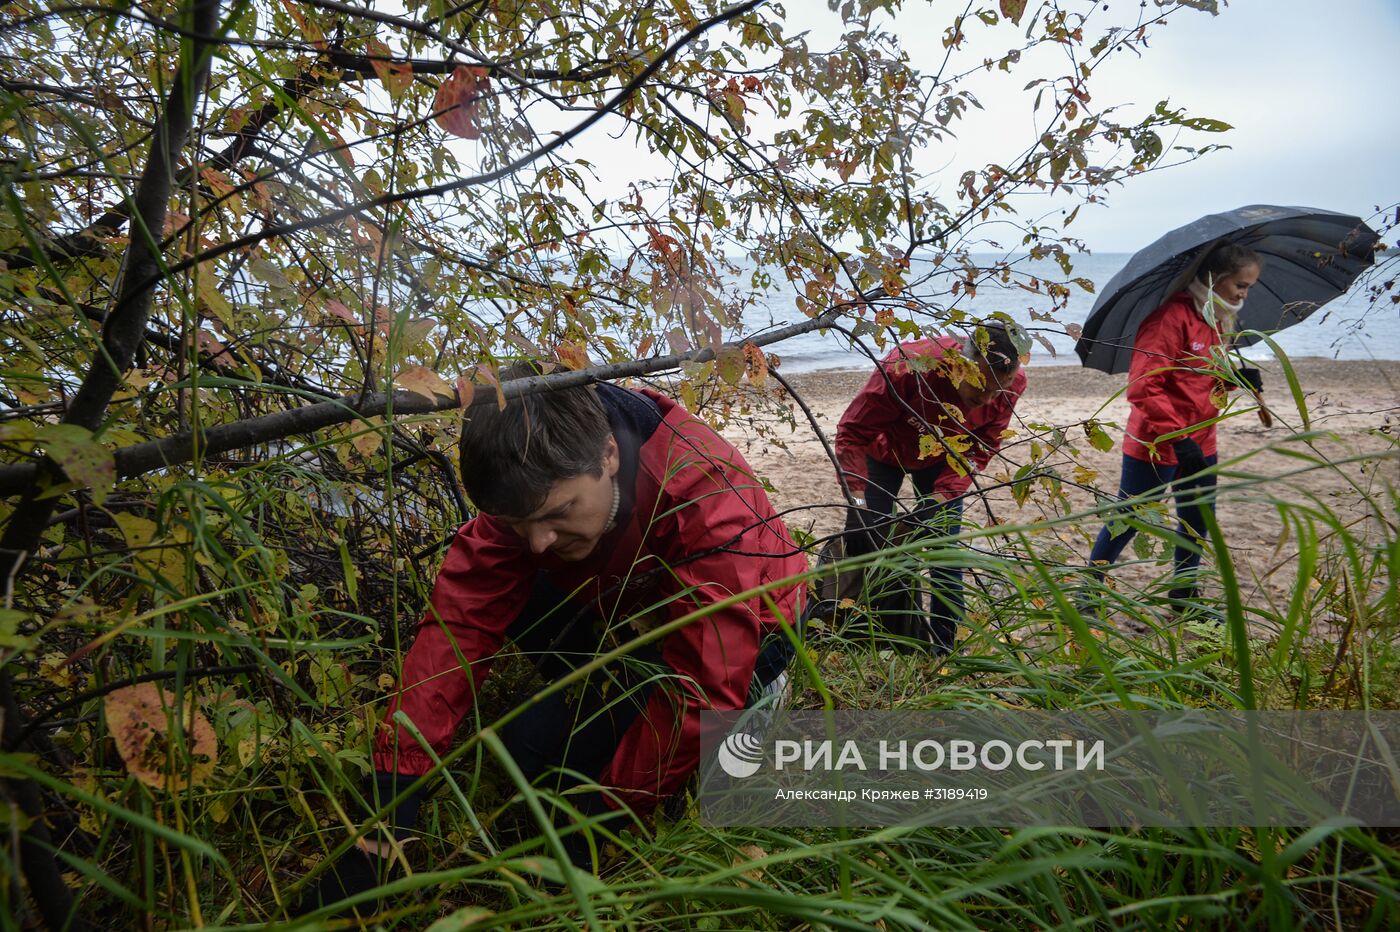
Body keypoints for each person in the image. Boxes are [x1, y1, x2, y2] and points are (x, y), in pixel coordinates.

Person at [302, 371, 806, 914]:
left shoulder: (702, 494)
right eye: (519, 523)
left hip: (755, 631)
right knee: (529, 747)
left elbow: (703, 685)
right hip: (628, 609)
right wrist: (391, 797)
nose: (538, 540)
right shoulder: (534, 487)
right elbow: (459, 626)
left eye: (558, 514)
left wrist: (607, 813)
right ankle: (610, 698)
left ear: (609, 455)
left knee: (584, 776)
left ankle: (758, 702)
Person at [1086, 241, 1265, 604]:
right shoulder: (1169, 318)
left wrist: (1237, 379)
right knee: (1128, 520)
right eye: (1240, 286)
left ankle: (1183, 595)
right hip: (1157, 442)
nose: (1245, 295)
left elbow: (1200, 379)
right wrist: (1178, 439)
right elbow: (1143, 387)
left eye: (1249, 288)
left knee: (1197, 520)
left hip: (1203, 439)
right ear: (1215, 279)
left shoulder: (1217, 319)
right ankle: (1089, 592)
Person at [833, 322, 1027, 653]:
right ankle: (880, 637)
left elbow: (980, 449)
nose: (986, 401)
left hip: (945, 459)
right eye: (978, 390)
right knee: (875, 542)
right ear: (959, 365)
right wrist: (857, 500)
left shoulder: (1010, 383)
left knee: (944, 554)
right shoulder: (906, 367)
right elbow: (852, 433)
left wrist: (937, 500)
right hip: (884, 451)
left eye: (997, 391)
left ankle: (942, 650)